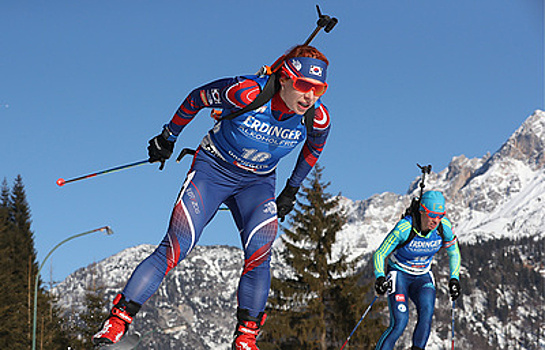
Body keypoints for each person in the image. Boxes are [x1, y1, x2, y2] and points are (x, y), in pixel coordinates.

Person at [92, 44, 331, 350]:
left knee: (261, 252)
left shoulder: (317, 118)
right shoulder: (245, 92)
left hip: (257, 185)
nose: (310, 96)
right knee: (177, 246)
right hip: (212, 172)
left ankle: (245, 338)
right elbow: (196, 97)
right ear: (284, 78)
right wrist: (168, 136)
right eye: (303, 85)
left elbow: (314, 148)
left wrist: (292, 188)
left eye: (319, 88)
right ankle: (116, 323)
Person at [372, 190, 461, 350]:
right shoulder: (405, 228)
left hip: (422, 276)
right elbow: (380, 253)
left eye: (440, 215)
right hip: (399, 274)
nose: (436, 220)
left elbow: (454, 252)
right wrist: (380, 276)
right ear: (422, 211)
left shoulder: (444, 227)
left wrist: (454, 278)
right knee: (400, 322)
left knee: (426, 315)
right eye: (432, 215)